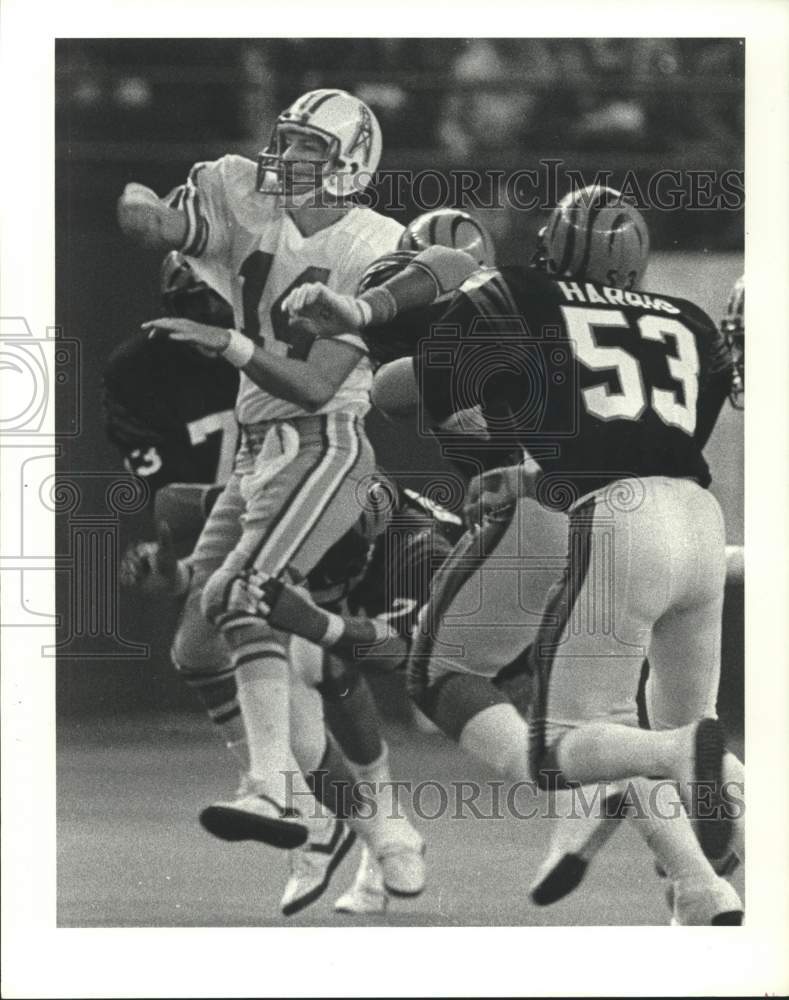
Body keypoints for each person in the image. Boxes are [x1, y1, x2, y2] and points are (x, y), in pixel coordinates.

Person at [277, 185, 746, 923]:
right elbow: (664, 425)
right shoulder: (684, 318)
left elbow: (397, 389)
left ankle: (636, 813)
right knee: (647, 720)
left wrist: (380, 318)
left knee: (453, 676)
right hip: (689, 513)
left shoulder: (512, 298)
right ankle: (699, 885)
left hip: (567, 510)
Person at [117, 88, 408, 853]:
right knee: (197, 647)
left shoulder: (376, 244)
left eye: (309, 146)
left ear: (351, 162)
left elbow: (314, 385)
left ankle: (276, 792)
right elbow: (160, 226)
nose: (285, 158)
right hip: (258, 451)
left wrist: (230, 346)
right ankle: (338, 819)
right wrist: (140, 206)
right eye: (285, 140)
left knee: (244, 595)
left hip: (324, 441)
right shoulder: (244, 195)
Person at [108, 252, 426, 914]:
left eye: (213, 301)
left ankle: (336, 814)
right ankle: (355, 825)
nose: (203, 314)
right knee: (205, 648)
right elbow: (181, 507)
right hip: (250, 502)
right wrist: (176, 570)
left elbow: (322, 391)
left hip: (330, 503)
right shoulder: (147, 375)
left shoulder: (296, 323)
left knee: (323, 665)